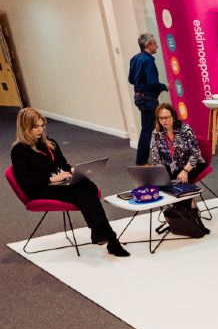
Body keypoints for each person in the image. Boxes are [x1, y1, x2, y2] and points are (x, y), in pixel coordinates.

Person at [10, 108, 129, 257]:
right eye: (36, 127)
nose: (40, 130)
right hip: (40, 189)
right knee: (83, 190)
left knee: (86, 185)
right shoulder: (19, 151)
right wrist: (51, 179)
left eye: (42, 126)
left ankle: (103, 234)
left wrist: (73, 170)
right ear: (25, 127)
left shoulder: (49, 143)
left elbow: (63, 164)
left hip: (59, 183)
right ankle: (109, 238)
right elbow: (25, 182)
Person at [149, 102, 210, 223]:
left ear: (173, 117)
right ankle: (178, 212)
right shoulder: (156, 133)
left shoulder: (184, 129)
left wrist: (186, 170)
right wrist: (159, 174)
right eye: (161, 118)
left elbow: (195, 153)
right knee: (160, 183)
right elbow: (156, 158)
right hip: (173, 165)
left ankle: (189, 213)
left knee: (181, 182)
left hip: (192, 163)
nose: (164, 121)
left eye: (167, 117)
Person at [128, 33, 168, 166]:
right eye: (155, 43)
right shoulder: (148, 60)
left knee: (151, 128)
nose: (157, 46)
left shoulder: (135, 58)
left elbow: (131, 79)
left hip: (139, 97)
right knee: (148, 130)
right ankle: (142, 161)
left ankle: (159, 157)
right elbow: (152, 82)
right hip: (149, 99)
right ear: (149, 45)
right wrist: (165, 86)